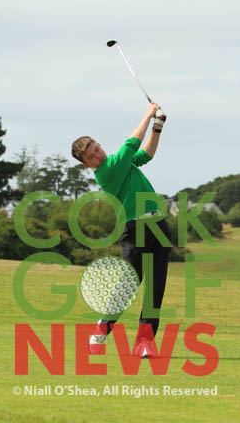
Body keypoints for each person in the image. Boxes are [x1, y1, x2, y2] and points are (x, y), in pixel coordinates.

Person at [71, 101, 170, 358]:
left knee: (155, 289)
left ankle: (144, 343)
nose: (98, 155)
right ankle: (102, 328)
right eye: (91, 157)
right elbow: (132, 144)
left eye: (96, 149)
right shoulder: (107, 171)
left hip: (158, 224)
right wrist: (148, 114)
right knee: (129, 286)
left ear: (99, 144)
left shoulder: (119, 162)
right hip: (136, 229)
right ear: (87, 165)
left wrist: (157, 127)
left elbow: (146, 154)